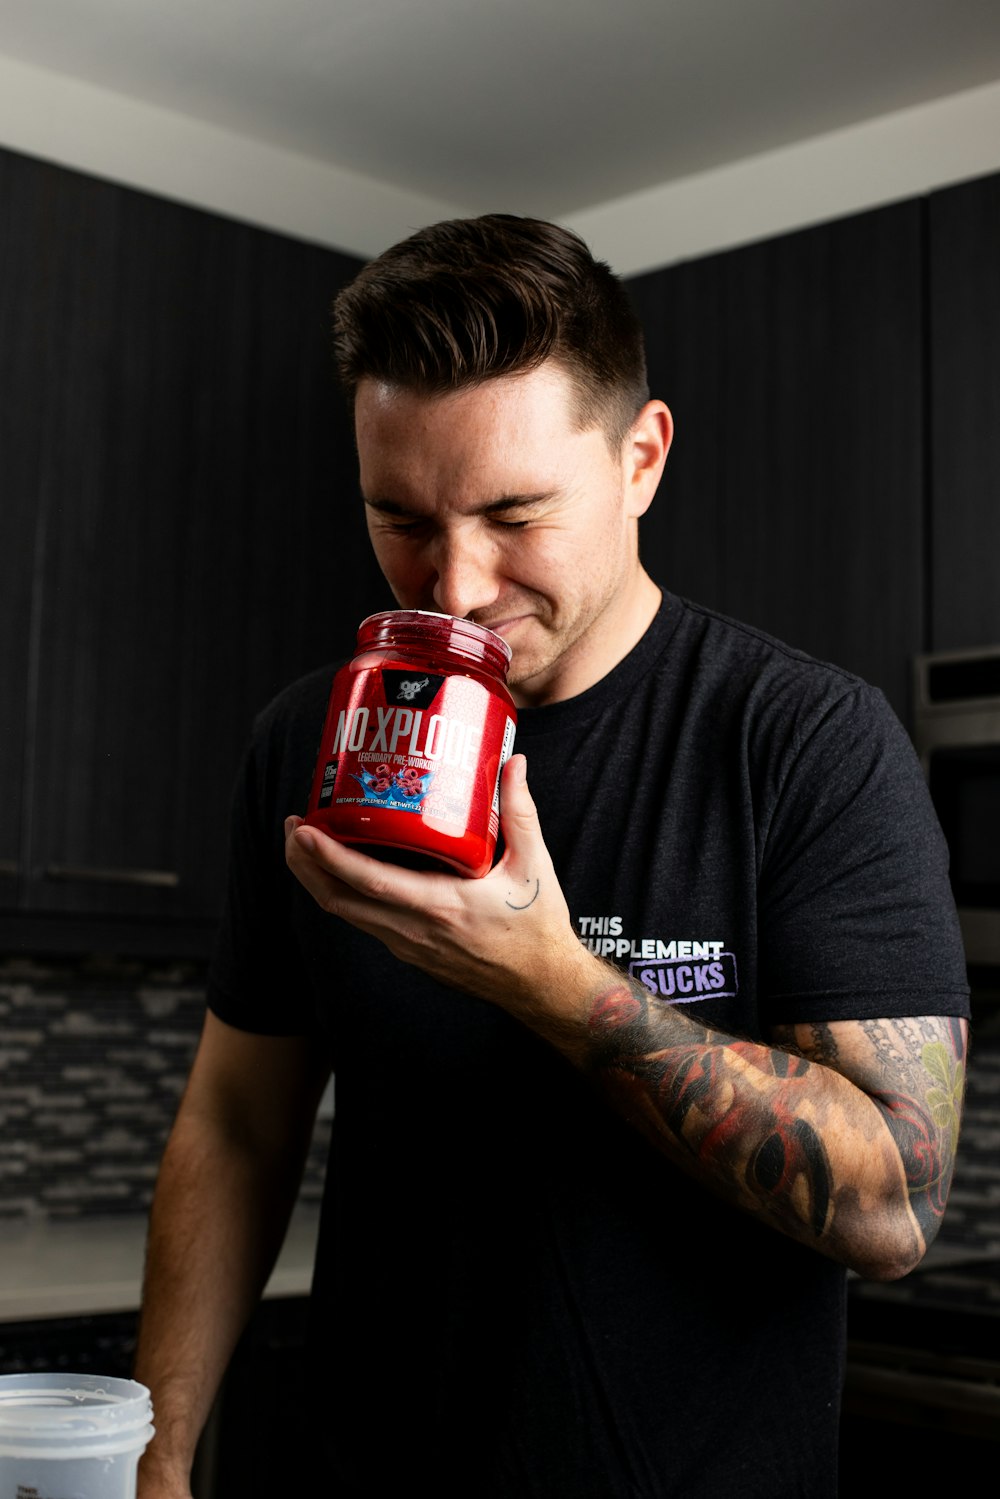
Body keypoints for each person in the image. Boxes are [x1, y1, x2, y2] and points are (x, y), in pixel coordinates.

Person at [134, 214, 970, 1498]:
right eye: (397, 515)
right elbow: (240, 1122)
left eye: (514, 513)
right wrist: (163, 1446)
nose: (452, 584)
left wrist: (549, 978)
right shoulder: (317, 736)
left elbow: (893, 1207)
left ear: (640, 458)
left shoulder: (801, 738)